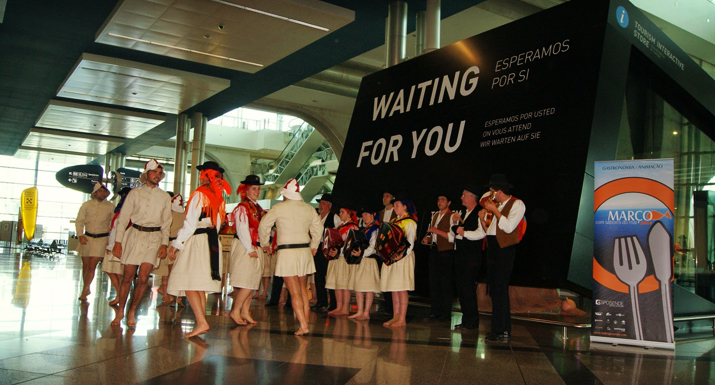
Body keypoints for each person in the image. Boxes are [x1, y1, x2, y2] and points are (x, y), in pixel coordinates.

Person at [167, 161, 231, 338]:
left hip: (197, 240)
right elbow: (217, 225)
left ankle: (202, 322)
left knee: (189, 282)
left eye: (202, 173)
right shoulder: (218, 197)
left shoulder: (199, 194)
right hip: (211, 241)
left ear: (205, 175)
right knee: (199, 285)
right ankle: (201, 321)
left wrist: (176, 244)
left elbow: (189, 223)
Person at [111, 159, 172, 327]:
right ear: (146, 175)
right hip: (135, 236)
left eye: (160, 173)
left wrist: (164, 244)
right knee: (127, 277)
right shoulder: (135, 193)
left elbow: (167, 223)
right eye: (154, 172)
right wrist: (118, 242)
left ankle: (132, 311)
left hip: (154, 238)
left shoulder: (165, 197)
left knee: (144, 278)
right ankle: (121, 310)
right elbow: (123, 219)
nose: (157, 176)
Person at [258, 178, 323, 336]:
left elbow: (264, 225)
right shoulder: (308, 208)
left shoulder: (279, 207)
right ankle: (305, 322)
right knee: (302, 289)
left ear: (286, 194)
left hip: (287, 252)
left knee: (294, 292)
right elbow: (319, 228)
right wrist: (314, 246)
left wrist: (265, 243)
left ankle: (303, 325)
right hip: (304, 251)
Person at [468, 174, 526, 342]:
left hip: (505, 250)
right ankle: (500, 328)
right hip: (493, 249)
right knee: (494, 289)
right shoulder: (498, 206)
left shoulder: (517, 204)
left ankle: (501, 329)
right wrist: (483, 220)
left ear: (499, 191)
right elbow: (489, 232)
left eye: (492, 191)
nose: (490, 194)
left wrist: (495, 211)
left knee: (500, 289)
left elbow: (508, 227)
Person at [227, 175, 266, 325]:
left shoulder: (257, 208)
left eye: (258, 188)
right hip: (246, 246)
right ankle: (236, 311)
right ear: (247, 190)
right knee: (247, 281)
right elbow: (242, 228)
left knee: (252, 281)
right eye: (254, 189)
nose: (257, 191)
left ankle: (245, 311)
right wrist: (249, 248)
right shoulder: (242, 208)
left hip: (254, 246)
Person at [449, 185, 483, 331]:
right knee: (462, 289)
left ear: (471, 197)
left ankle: (472, 321)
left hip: (471, 258)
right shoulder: (466, 213)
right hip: (461, 256)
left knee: (468, 289)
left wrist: (464, 233)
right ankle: (466, 319)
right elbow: (457, 233)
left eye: (464, 195)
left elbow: (481, 233)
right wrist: (456, 227)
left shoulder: (479, 212)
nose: (461, 198)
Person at [381, 197, 417, 328]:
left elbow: (410, 243)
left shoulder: (410, 222)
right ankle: (395, 316)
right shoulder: (394, 221)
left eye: (397, 205)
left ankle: (402, 318)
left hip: (403, 259)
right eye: (394, 205)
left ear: (405, 207)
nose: (395, 208)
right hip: (393, 258)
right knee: (394, 288)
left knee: (401, 288)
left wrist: (400, 256)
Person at [75, 182, 115, 301]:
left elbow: (114, 223)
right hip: (87, 238)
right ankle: (86, 287)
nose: (102, 194)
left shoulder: (110, 206)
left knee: (92, 266)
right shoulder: (86, 205)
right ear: (95, 192)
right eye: (100, 191)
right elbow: (79, 221)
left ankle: (84, 290)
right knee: (86, 266)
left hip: (102, 239)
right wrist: (80, 235)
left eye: (104, 191)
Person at [423, 194, 457, 323]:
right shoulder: (436, 215)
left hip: (446, 252)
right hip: (435, 250)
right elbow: (434, 235)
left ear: (449, 203)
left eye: (443, 200)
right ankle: (435, 311)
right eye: (438, 200)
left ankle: (446, 313)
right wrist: (429, 238)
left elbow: (452, 237)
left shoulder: (452, 216)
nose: (439, 202)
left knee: (445, 283)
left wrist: (436, 231)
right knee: (434, 282)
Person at [326, 204, 359, 316]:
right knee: (337, 283)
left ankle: (345, 307)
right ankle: (339, 307)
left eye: (342, 212)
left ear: (349, 213)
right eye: (340, 212)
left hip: (345, 258)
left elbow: (350, 244)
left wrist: (338, 251)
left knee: (344, 284)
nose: (340, 214)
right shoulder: (340, 227)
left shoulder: (353, 227)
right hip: (337, 258)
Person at [348, 207, 381, 320]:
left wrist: (362, 253)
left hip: (369, 260)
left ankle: (366, 312)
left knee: (368, 287)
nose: (365, 217)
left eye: (367, 214)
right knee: (358, 286)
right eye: (364, 215)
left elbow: (373, 247)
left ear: (373, 215)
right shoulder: (364, 229)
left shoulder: (375, 229)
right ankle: (360, 310)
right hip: (361, 260)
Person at [312, 193, 340, 312]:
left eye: (323, 203)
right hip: (318, 249)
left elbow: (339, 234)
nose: (320, 205)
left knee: (330, 276)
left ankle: (333, 303)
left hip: (328, 249)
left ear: (329, 206)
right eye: (320, 203)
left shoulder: (334, 217)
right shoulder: (317, 217)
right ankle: (321, 301)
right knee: (318, 276)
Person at [155, 192, 185, 306]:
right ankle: (176, 297)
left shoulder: (168, 214)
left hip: (166, 243)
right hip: (177, 245)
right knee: (175, 272)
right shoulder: (185, 215)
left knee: (165, 272)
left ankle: (167, 294)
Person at [104, 186, 132, 306]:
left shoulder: (130, 214)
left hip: (121, 246)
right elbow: (114, 229)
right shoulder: (118, 211)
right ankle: (119, 294)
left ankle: (121, 296)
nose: (122, 198)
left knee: (119, 273)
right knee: (109, 270)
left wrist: (116, 245)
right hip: (113, 244)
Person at [377, 191, 395, 315]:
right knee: (384, 277)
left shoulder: (396, 212)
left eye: (387, 196)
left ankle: (394, 307)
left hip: (392, 249)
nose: (384, 198)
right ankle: (387, 304)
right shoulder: (381, 214)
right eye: (383, 196)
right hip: (382, 248)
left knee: (392, 278)